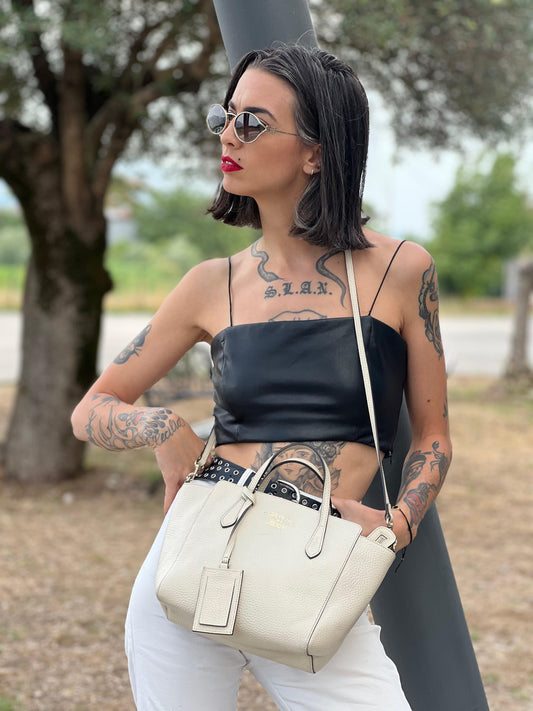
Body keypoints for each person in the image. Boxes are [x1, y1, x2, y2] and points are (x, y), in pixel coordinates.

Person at [72, 44, 451, 711]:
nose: (227, 134)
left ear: (315, 153)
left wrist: (397, 525)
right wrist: (161, 426)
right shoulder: (209, 283)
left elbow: (433, 437)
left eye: (251, 122)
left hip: (317, 568)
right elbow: (91, 408)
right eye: (225, 116)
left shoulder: (400, 270)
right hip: (194, 563)